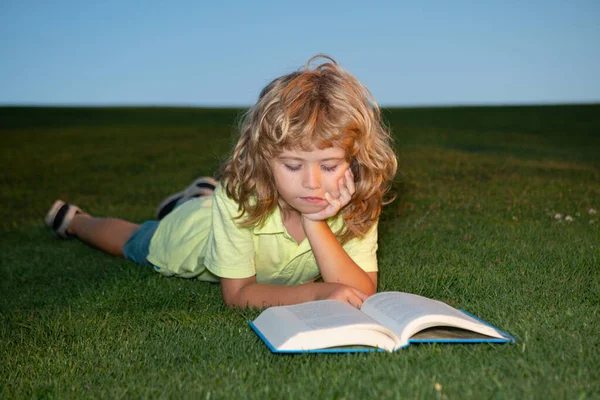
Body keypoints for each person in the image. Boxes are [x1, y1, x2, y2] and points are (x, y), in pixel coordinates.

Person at [45, 55, 397, 309]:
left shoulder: (357, 197)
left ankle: (200, 193)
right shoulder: (240, 198)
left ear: (353, 160)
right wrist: (316, 294)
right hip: (192, 237)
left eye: (330, 165)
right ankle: (76, 220)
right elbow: (239, 294)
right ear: (264, 158)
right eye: (292, 165)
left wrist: (315, 222)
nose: (312, 183)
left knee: (210, 202)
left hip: (222, 209)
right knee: (136, 242)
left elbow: (361, 289)